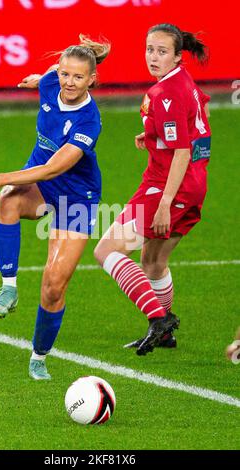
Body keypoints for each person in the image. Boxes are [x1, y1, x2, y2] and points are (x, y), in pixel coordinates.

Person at [0, 34, 111, 380]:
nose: (69, 82)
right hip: (44, 188)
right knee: (8, 203)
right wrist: (37, 79)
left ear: (92, 79)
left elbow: (53, 168)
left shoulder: (89, 122)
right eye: (65, 74)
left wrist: (2, 176)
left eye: (79, 77)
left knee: (53, 284)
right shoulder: (51, 81)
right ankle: (9, 288)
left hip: (75, 199)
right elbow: (48, 76)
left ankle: (39, 355)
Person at [94, 23, 211, 356]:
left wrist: (165, 204)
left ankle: (160, 319)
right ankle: (164, 335)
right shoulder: (182, 83)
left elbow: (183, 150)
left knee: (106, 251)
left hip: (166, 187)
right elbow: (199, 128)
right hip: (193, 186)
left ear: (177, 56)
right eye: (150, 49)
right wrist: (153, 137)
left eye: (162, 51)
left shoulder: (166, 93)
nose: (153, 57)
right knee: (153, 261)